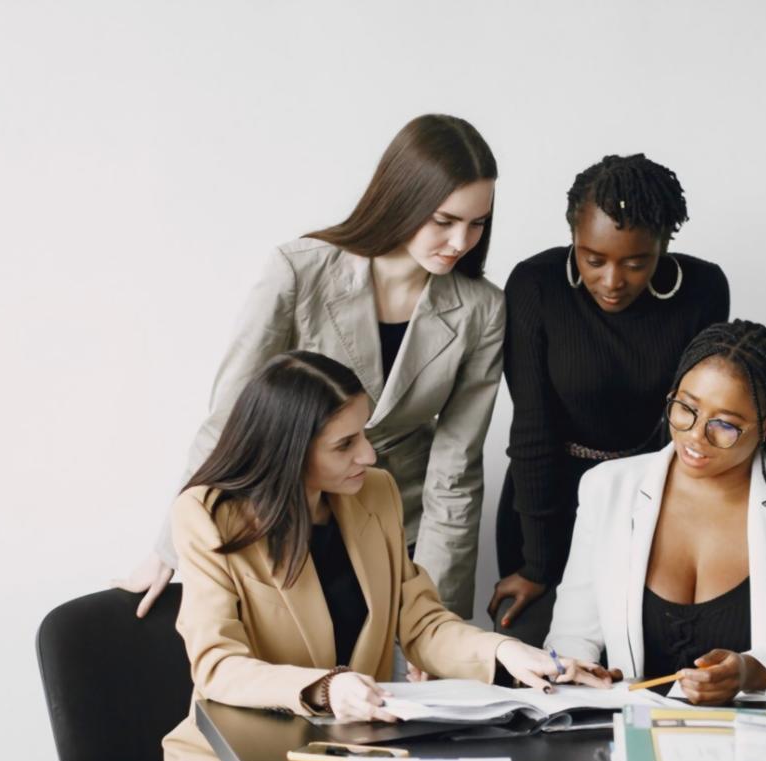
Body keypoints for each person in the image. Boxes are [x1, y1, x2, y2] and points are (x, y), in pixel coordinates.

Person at [149, 351, 607, 761]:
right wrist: (324, 686)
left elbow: (421, 621)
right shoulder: (208, 514)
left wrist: (507, 654)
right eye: (344, 444)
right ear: (288, 449)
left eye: (364, 433)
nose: (367, 454)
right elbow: (217, 664)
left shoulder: (375, 495)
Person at [119, 113, 506, 620]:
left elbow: (456, 468)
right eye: (444, 221)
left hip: (400, 526)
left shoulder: (483, 308)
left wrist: (436, 611)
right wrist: (171, 547)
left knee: (405, 665)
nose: (460, 242)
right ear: (403, 198)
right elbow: (231, 417)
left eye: (477, 223)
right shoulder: (299, 271)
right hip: (287, 516)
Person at [544, 321, 766, 703]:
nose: (695, 436)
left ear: (765, 428)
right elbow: (570, 638)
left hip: (753, 730)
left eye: (724, 425)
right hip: (631, 723)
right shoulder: (608, 487)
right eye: (686, 408)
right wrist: (580, 671)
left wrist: (750, 671)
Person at [488, 154, 730, 647]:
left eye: (636, 263)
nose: (613, 281)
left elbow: (693, 424)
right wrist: (536, 566)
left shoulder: (703, 291)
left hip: (652, 500)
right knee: (539, 654)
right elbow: (532, 429)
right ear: (573, 239)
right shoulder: (536, 285)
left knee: (647, 657)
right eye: (593, 259)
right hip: (546, 503)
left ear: (663, 246)